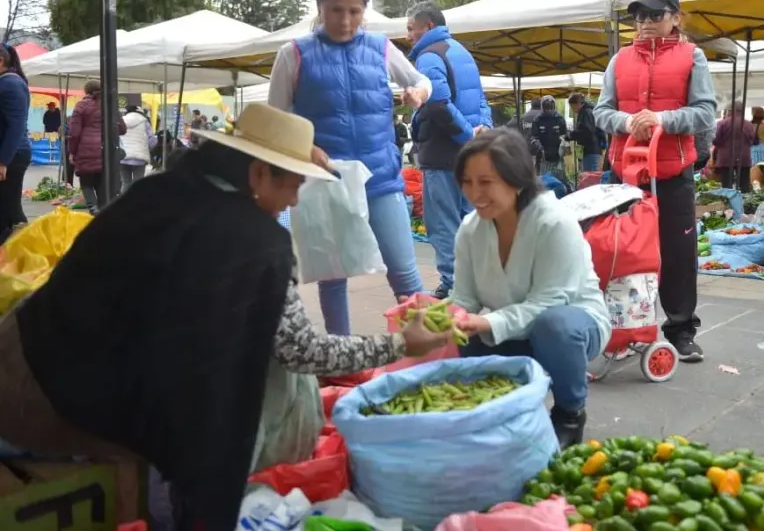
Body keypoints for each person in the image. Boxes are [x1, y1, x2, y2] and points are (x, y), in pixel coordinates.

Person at [0, 103, 450, 531]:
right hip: (56, 402)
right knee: (234, 406)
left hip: (20, 351)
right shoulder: (255, 245)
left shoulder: (163, 190)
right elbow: (301, 350)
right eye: (292, 183)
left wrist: (287, 147)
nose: (294, 199)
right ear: (257, 173)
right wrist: (399, 344)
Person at [268, 0, 428, 335]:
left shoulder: (381, 48)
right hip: (328, 185)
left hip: (382, 180)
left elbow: (420, 80)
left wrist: (418, 93)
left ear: (365, 10)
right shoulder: (293, 55)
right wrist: (303, 146)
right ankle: (342, 356)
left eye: (355, 11)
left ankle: (429, 351)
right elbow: (275, 122)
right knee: (333, 277)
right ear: (320, 7)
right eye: (336, 9)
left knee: (404, 272)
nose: (346, 20)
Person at [451, 128, 610, 448]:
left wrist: (486, 322)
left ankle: (569, 413)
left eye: (486, 182)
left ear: (517, 179)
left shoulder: (554, 223)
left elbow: (549, 303)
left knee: (555, 327)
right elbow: (464, 298)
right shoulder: (471, 229)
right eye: (467, 181)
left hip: (571, 326)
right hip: (515, 329)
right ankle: (505, 409)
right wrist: (441, 315)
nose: (473, 193)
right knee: (460, 335)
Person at [594, 0, 717, 362]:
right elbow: (601, 112)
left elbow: (705, 111)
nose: (645, 22)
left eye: (655, 14)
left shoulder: (692, 57)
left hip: (673, 172)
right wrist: (629, 122)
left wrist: (663, 118)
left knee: (678, 255)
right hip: (626, 175)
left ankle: (680, 329)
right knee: (622, 252)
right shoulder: (619, 61)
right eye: (639, 15)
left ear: (675, 18)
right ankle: (622, 329)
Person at [405, 1, 493, 300]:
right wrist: (482, 131)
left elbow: (437, 103)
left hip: (443, 155)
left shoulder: (428, 57)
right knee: (471, 219)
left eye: (410, 28)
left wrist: (467, 135)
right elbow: (481, 99)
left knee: (443, 223)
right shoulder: (461, 52)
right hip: (471, 156)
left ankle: (456, 286)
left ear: (427, 26)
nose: (408, 36)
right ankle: (478, 284)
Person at [67, 80, 127, 214]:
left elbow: (74, 133)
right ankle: (102, 210)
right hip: (106, 151)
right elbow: (122, 129)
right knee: (102, 183)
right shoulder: (110, 106)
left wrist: (72, 152)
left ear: (86, 91)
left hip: (85, 150)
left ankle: (93, 208)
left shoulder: (81, 105)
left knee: (86, 182)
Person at [0, 44, 31, 242]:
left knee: (9, 208)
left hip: (12, 155)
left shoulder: (11, 84)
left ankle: (26, 248)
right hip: (8, 154)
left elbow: (16, 125)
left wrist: (3, 161)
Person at [712, 102, 755, 192]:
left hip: (726, 157)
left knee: (727, 185)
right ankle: (744, 203)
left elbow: (716, 140)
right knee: (744, 184)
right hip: (744, 157)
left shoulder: (722, 123)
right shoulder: (749, 124)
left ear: (730, 111)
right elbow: (753, 140)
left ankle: (729, 204)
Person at [531, 95, 569, 181]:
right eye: (546, 108)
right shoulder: (537, 120)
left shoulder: (560, 119)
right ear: (542, 108)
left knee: (560, 179)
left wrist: (565, 141)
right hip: (543, 156)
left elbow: (565, 134)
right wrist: (539, 147)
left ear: (554, 107)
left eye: (551, 108)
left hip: (558, 155)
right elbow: (534, 137)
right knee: (545, 181)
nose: (549, 110)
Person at [120, 105, 155, 191]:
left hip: (123, 156)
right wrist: (154, 148)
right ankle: (137, 202)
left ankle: (125, 202)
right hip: (140, 157)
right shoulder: (144, 121)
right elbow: (151, 138)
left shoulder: (122, 121)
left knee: (125, 182)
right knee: (138, 182)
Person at [568, 92, 603, 172]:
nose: (572, 109)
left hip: (591, 150)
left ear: (577, 104)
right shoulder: (586, 112)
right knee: (589, 175)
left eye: (572, 106)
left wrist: (572, 134)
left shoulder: (586, 113)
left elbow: (587, 131)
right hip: (591, 149)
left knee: (591, 176)